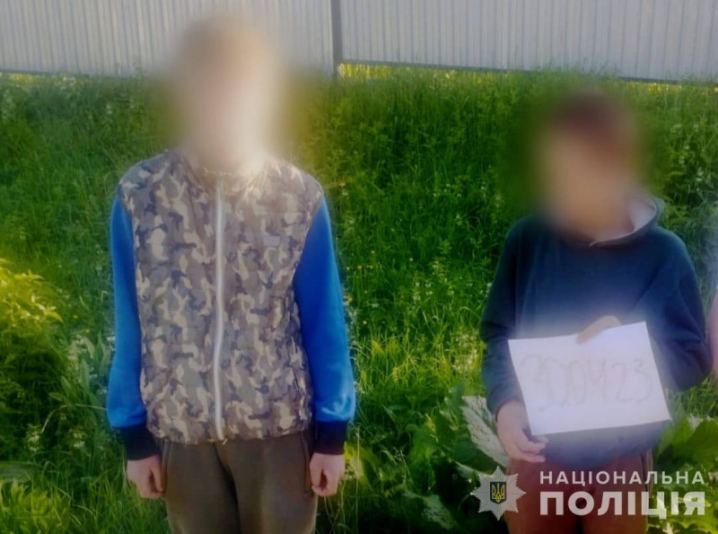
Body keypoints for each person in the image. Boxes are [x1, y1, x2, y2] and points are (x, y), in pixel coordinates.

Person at [107, 18, 355, 534]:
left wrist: (332, 432)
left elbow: (324, 322)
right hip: (182, 432)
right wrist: (134, 434)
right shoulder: (140, 196)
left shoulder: (298, 198)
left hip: (278, 432)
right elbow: (129, 318)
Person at [480, 90, 710, 534]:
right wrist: (505, 403)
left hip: (621, 461)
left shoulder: (666, 256)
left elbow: (691, 361)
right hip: (535, 454)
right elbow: (498, 335)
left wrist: (631, 344)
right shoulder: (527, 240)